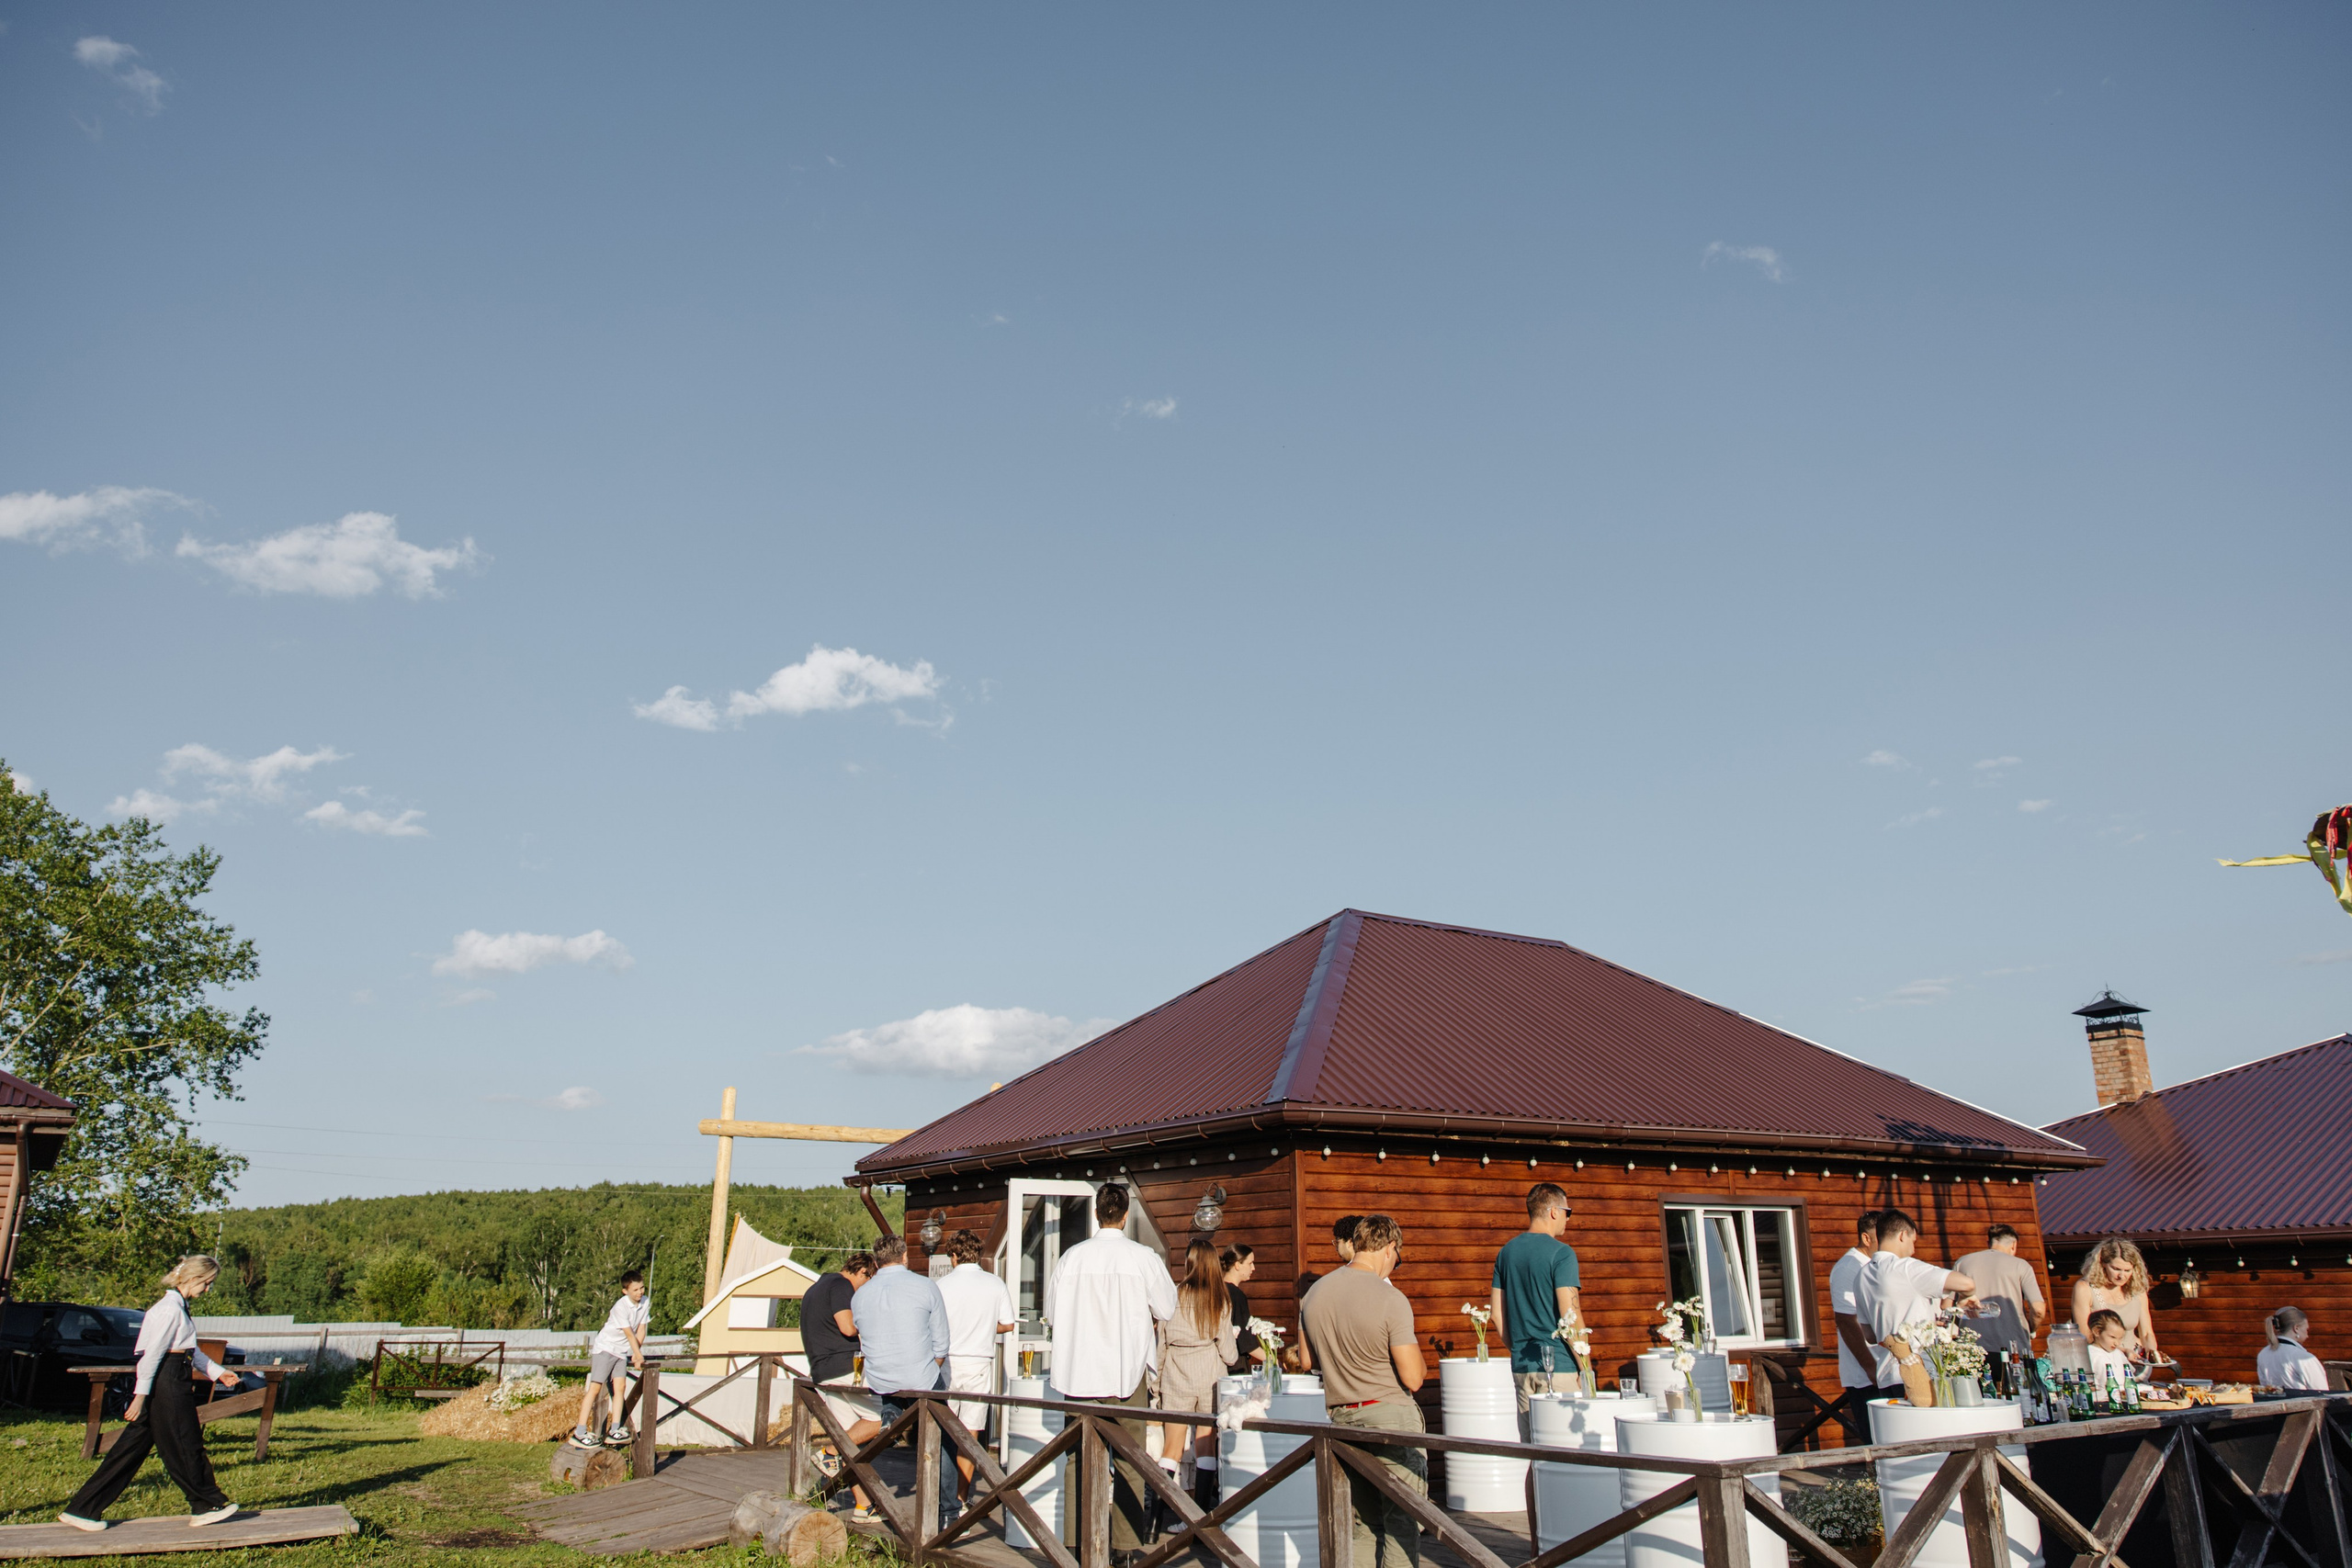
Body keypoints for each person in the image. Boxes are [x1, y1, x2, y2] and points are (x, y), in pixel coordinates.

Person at [59, 1255, 243, 1532]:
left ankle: (82, 1510)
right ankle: (206, 1504)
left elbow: (187, 1351)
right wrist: (140, 1396)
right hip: (168, 1381)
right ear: (193, 1278)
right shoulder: (169, 1310)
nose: (208, 1289)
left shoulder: (178, 1307)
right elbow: (152, 1355)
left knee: (129, 1451)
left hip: (171, 1375)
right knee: (186, 1441)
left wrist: (217, 1372)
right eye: (207, 1283)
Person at [1046, 1182, 1176, 1562]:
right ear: (1124, 1215)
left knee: (1077, 1459)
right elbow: (1168, 1307)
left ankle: (1076, 1541)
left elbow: (1052, 1314)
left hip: (1078, 1372)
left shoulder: (1071, 1257)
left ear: (1096, 1214)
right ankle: (1125, 1547)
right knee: (1129, 1459)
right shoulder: (1142, 1257)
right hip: (1124, 1371)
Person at [1300, 1214, 1425, 1568]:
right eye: (1396, 1256)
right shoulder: (1390, 1298)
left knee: (1363, 1523)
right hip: (1389, 1415)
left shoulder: (1314, 1294)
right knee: (1402, 1519)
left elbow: (1308, 1359)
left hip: (1342, 1417)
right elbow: (1413, 1378)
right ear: (1389, 1248)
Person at [846, 1235, 951, 1522]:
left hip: (881, 1380)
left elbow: (863, 1338)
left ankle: (891, 1416)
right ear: (904, 1257)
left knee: (892, 1399)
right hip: (921, 1378)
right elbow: (941, 1345)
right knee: (946, 1441)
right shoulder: (925, 1286)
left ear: (876, 1262)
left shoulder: (860, 1296)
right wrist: (928, 1368)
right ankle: (948, 1513)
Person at [1489, 1182, 1583, 1434]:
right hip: (1559, 1368)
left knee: (1534, 1452)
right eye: (1568, 1211)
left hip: (1522, 1368)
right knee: (1563, 1453)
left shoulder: (1505, 1253)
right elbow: (1570, 1316)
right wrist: (1586, 1368)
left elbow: (1497, 1315)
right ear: (1554, 1211)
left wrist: (1519, 1350)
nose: (1568, 1218)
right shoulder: (1562, 1254)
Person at [934, 1230, 1016, 1506]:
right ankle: (960, 1499)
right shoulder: (994, 1284)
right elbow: (1007, 1324)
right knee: (969, 1436)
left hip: (947, 1362)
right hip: (980, 1362)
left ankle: (941, 1500)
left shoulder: (941, 1285)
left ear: (954, 1256)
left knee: (943, 1432)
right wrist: (982, 1325)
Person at [1859, 1210, 1976, 1394]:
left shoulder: (1861, 1276)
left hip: (1886, 1376)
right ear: (1903, 1235)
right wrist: (1968, 1296)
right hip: (1919, 1373)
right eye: (1913, 1242)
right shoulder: (1906, 1267)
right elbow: (1966, 1283)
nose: (1913, 1250)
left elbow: (1870, 1336)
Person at [1159, 1238, 1238, 1506]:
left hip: (1176, 1375)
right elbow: (1229, 1353)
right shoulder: (1220, 1300)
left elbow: (1161, 1345)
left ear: (1189, 1263)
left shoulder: (1173, 1295)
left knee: (1171, 1447)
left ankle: (1156, 1521)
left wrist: (1156, 1382)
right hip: (1209, 1377)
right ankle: (1200, 1519)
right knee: (1206, 1446)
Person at [799, 1250, 876, 1472]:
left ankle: (864, 1506)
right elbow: (847, 1327)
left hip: (822, 1369)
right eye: (868, 1281)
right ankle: (828, 1452)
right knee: (884, 1421)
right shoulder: (841, 1285)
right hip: (844, 1367)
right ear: (863, 1272)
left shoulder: (816, 1288)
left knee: (850, 1437)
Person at [572, 1269, 650, 1448]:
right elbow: (629, 1334)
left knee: (620, 1388)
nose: (640, 1293)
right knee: (595, 1388)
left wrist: (636, 1355)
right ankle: (580, 1431)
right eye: (635, 1290)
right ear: (625, 1291)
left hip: (621, 1351)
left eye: (642, 1288)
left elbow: (641, 1330)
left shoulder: (645, 1302)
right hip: (606, 1348)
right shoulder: (620, 1307)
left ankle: (615, 1429)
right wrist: (638, 1355)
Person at [1827, 1211, 1883, 1442]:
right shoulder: (1849, 1267)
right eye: (1883, 1237)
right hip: (1867, 1374)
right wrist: (1871, 1367)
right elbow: (1846, 1321)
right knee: (1876, 1440)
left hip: (1884, 1368)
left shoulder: (1875, 1263)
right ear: (1866, 1238)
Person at [1952, 1224, 2047, 1360]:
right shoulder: (2021, 1265)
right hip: (2013, 1348)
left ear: (1989, 1243)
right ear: (2013, 1245)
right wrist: (2031, 1329)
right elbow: (2038, 1310)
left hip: (1971, 1351)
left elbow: (1946, 1306)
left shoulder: (1962, 1263)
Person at [2070, 1236, 2161, 1363]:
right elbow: (2086, 1335)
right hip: (2101, 1361)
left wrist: (2152, 1352)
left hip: (2136, 1361)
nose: (2121, 1276)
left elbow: (2146, 1333)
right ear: (2102, 1264)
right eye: (2116, 1269)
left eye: (2127, 1270)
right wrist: (2123, 1351)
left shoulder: (2137, 1291)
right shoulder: (2085, 1288)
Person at [2256, 1307, 2327, 1391]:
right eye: (2306, 1329)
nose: (2307, 1335)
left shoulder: (2263, 1353)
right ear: (2296, 1328)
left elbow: (2265, 1387)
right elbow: (2321, 1392)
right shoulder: (2303, 1357)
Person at [1222, 1243, 1266, 1373]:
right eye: (1250, 1263)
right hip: (1235, 1367)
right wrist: (1273, 1360)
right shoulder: (1236, 1295)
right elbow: (1246, 1343)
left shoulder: (1218, 1290)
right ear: (1237, 1265)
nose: (1253, 1268)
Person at [2086, 1309, 2134, 1399]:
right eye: (2112, 1337)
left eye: (2120, 1338)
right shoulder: (2089, 1354)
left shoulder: (2118, 1353)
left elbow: (2130, 1378)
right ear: (2097, 1331)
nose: (2117, 1343)